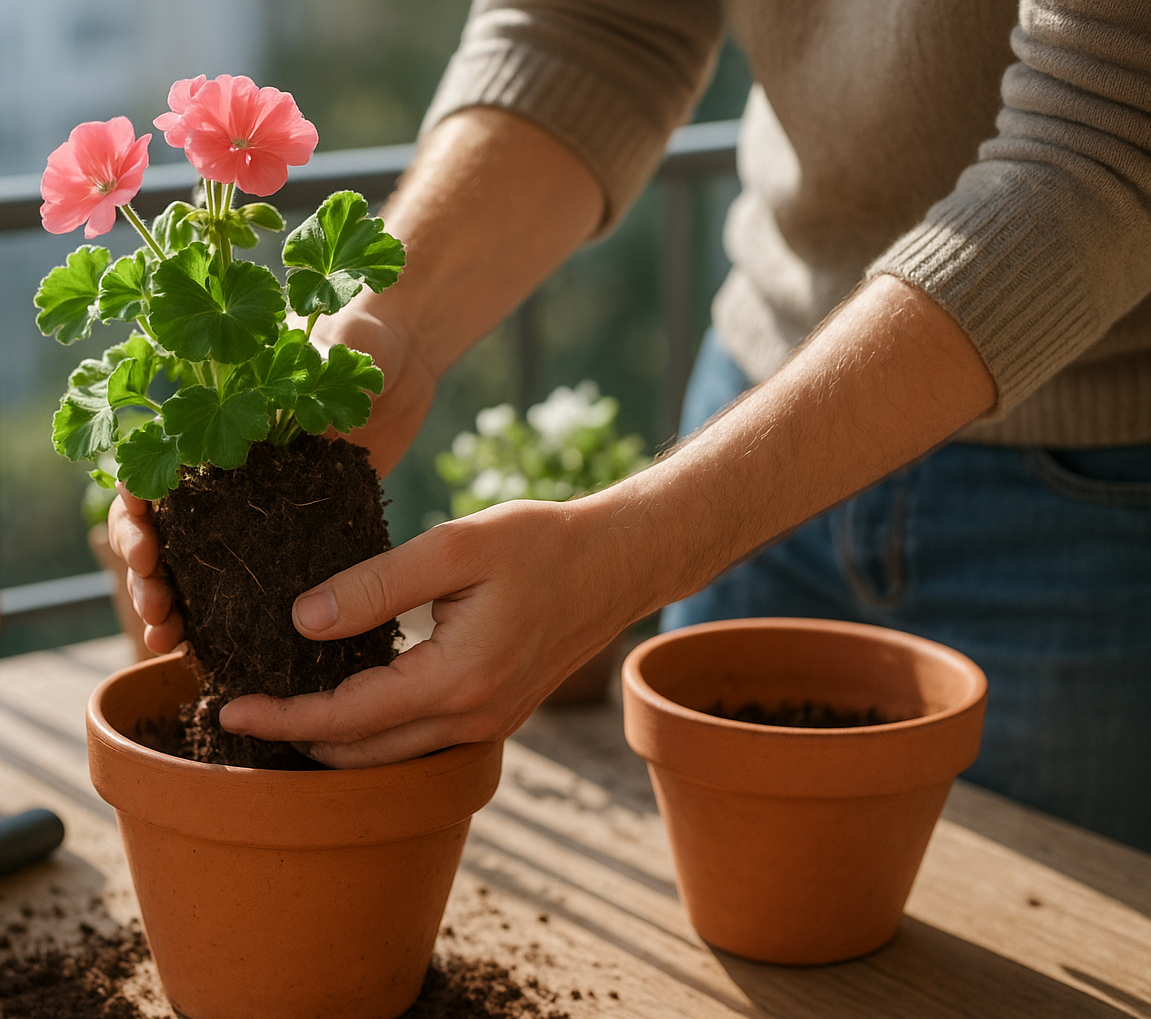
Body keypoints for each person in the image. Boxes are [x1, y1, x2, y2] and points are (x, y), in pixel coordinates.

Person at [114, 0, 1151, 849]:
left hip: (1091, 492)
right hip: (759, 401)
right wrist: (396, 320)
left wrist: (633, 550)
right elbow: (598, 25)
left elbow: (1107, 140)